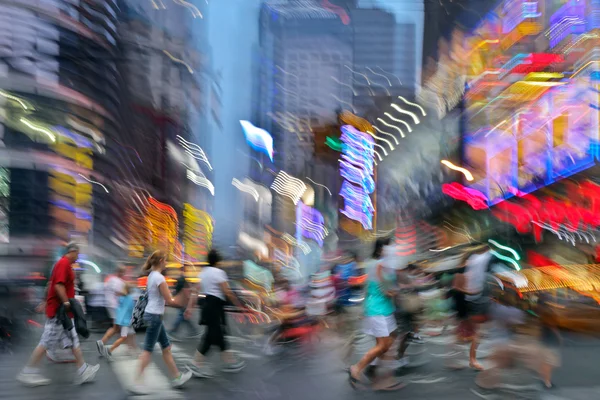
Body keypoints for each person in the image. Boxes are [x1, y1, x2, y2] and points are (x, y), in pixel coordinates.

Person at [17, 242, 100, 386]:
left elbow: (51, 284)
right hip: (59, 313)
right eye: (78, 254)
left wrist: (46, 301)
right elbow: (57, 285)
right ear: (72, 251)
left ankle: (83, 370)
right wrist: (66, 303)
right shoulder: (63, 263)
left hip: (62, 313)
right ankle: (28, 372)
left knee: (73, 340)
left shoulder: (62, 264)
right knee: (45, 343)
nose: (78, 257)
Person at [131, 250, 192, 394]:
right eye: (165, 260)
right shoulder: (159, 278)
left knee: (166, 348)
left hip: (153, 315)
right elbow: (170, 300)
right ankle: (136, 382)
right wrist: (183, 296)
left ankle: (177, 377)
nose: (166, 263)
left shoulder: (152, 276)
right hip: (155, 317)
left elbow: (163, 299)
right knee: (147, 350)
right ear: (160, 262)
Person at [348, 238, 402, 390]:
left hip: (381, 309)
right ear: (381, 250)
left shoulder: (374, 263)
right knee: (383, 345)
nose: (392, 249)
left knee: (391, 339)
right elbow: (387, 290)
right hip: (379, 310)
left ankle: (373, 367)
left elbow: (368, 286)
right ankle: (357, 368)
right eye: (389, 247)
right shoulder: (380, 265)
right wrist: (398, 290)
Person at [185, 249, 246, 377]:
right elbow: (227, 292)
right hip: (215, 306)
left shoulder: (203, 273)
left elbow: (195, 292)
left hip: (207, 305)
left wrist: (189, 308)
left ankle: (230, 362)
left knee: (217, 335)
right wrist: (238, 304)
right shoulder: (219, 273)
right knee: (213, 335)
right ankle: (196, 364)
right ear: (218, 261)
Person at [103, 281, 138, 360]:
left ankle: (133, 351)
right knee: (124, 337)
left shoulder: (121, 298)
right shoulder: (130, 299)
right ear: (130, 290)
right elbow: (131, 310)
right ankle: (109, 350)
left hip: (122, 320)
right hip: (126, 321)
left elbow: (120, 309)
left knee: (132, 335)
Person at [97, 266, 127, 357]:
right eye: (123, 272)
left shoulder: (110, 279)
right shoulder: (119, 282)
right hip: (115, 306)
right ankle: (102, 342)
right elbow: (119, 293)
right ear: (121, 273)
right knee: (117, 328)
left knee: (117, 327)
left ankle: (106, 343)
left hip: (109, 305)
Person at [169, 264, 197, 338]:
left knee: (181, 315)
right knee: (183, 316)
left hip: (182, 299)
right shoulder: (184, 278)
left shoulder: (181, 278)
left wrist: (173, 294)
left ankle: (173, 331)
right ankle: (193, 331)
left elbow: (178, 289)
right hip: (184, 299)